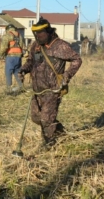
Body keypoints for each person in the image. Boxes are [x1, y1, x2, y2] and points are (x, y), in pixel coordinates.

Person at [18, 17, 82, 146]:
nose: (37, 37)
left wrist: (67, 75)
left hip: (53, 89)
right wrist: (23, 70)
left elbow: (77, 60)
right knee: (36, 117)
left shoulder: (61, 46)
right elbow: (30, 61)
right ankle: (60, 131)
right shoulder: (35, 45)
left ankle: (49, 144)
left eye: (40, 33)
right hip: (37, 89)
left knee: (46, 119)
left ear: (49, 32)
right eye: (36, 34)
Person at [0, 24, 25, 95]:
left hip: (10, 57)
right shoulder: (19, 35)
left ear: (7, 29)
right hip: (18, 57)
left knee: (8, 72)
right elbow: (22, 46)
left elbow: (4, 47)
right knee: (17, 72)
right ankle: (21, 87)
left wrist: (0, 55)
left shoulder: (7, 36)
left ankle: (8, 89)